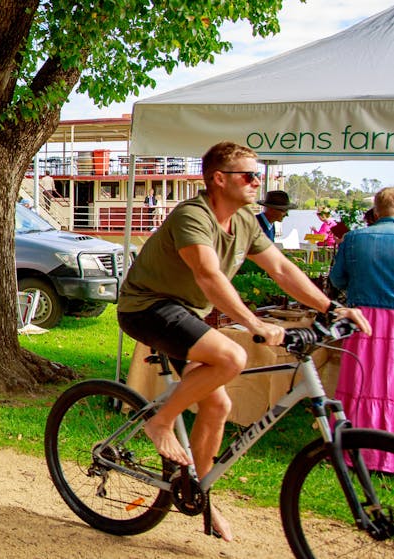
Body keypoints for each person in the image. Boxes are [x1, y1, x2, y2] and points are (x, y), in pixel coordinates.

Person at [117, 141, 371, 542]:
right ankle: (161, 420)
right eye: (249, 175)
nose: (257, 182)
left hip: (187, 314)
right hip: (147, 307)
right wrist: (253, 322)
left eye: (258, 175)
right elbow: (207, 275)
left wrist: (329, 308)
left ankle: (200, 493)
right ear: (219, 179)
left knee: (218, 404)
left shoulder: (246, 223)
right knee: (232, 355)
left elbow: (283, 270)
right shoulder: (192, 216)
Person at [329, 187, 394, 473]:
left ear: (376, 211)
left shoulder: (354, 238)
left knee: (361, 382)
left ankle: (354, 445)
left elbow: (337, 279)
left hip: (363, 319)